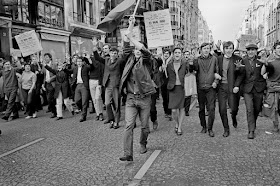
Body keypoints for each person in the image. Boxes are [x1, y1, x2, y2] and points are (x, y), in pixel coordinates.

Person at [119, 17, 156, 161]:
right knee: (128, 126)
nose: (137, 51)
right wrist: (131, 25)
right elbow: (126, 44)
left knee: (145, 126)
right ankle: (128, 153)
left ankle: (143, 142)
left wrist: (134, 40)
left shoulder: (147, 61)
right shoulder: (128, 59)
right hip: (130, 98)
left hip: (144, 98)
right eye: (135, 49)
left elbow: (146, 51)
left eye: (138, 48)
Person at [234, 44, 267, 139]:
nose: (251, 52)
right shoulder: (242, 61)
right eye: (249, 50)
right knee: (249, 109)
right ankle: (251, 130)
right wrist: (236, 85)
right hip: (247, 89)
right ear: (246, 51)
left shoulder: (260, 60)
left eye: (253, 50)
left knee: (256, 109)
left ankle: (253, 122)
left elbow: (268, 71)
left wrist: (266, 64)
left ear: (256, 51)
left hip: (259, 88)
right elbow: (240, 75)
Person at [190, 43, 220, 137]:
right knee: (201, 109)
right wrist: (192, 61)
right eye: (204, 48)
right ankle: (204, 126)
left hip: (211, 87)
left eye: (208, 48)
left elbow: (217, 71)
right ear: (201, 49)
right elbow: (193, 71)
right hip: (200, 87)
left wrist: (216, 81)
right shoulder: (197, 59)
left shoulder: (214, 59)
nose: (206, 50)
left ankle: (210, 128)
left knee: (211, 109)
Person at [217, 41, 243, 137]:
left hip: (233, 87)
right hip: (222, 87)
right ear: (223, 50)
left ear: (233, 49)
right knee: (222, 109)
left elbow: (241, 74)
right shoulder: (218, 59)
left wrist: (237, 85)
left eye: (231, 48)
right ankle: (226, 129)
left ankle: (234, 117)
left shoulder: (238, 59)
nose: (229, 50)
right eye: (227, 48)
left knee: (234, 108)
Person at [93, 46, 122, 129]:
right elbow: (97, 58)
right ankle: (111, 119)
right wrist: (95, 48)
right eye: (112, 53)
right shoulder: (106, 60)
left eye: (115, 53)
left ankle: (116, 121)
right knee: (107, 103)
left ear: (117, 55)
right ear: (109, 53)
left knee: (116, 104)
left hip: (116, 85)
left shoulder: (119, 61)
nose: (113, 54)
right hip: (107, 84)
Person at [167, 48, 189, 135]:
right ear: (173, 54)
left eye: (179, 53)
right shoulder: (169, 65)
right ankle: (176, 123)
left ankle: (179, 127)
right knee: (174, 110)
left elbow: (190, 72)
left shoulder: (185, 64)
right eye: (175, 52)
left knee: (182, 108)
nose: (177, 54)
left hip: (182, 88)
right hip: (173, 88)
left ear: (181, 54)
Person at [260, 41, 280, 133]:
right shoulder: (270, 61)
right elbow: (262, 73)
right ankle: (275, 126)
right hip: (273, 88)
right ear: (274, 50)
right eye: (278, 48)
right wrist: (265, 63)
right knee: (274, 108)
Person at [72, 56, 92, 122]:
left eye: (80, 61)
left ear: (83, 62)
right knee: (77, 100)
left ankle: (83, 115)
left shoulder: (86, 67)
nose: (79, 63)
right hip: (78, 85)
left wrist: (89, 60)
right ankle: (82, 109)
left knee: (84, 101)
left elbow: (91, 67)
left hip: (84, 85)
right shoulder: (75, 68)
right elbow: (69, 71)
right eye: (78, 61)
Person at [42, 53, 57, 118]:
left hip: (52, 83)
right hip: (46, 84)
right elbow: (44, 75)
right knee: (50, 99)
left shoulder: (54, 65)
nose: (45, 58)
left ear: (50, 58)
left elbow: (56, 74)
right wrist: (43, 83)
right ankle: (54, 110)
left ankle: (54, 112)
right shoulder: (44, 65)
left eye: (47, 57)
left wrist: (51, 79)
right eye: (44, 57)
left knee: (49, 98)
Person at [159, 50, 172, 120]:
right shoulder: (160, 61)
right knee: (164, 98)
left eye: (167, 53)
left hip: (169, 81)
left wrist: (167, 67)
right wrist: (161, 69)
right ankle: (166, 112)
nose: (166, 55)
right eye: (165, 53)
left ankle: (169, 113)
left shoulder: (171, 62)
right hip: (162, 82)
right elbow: (157, 72)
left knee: (169, 97)